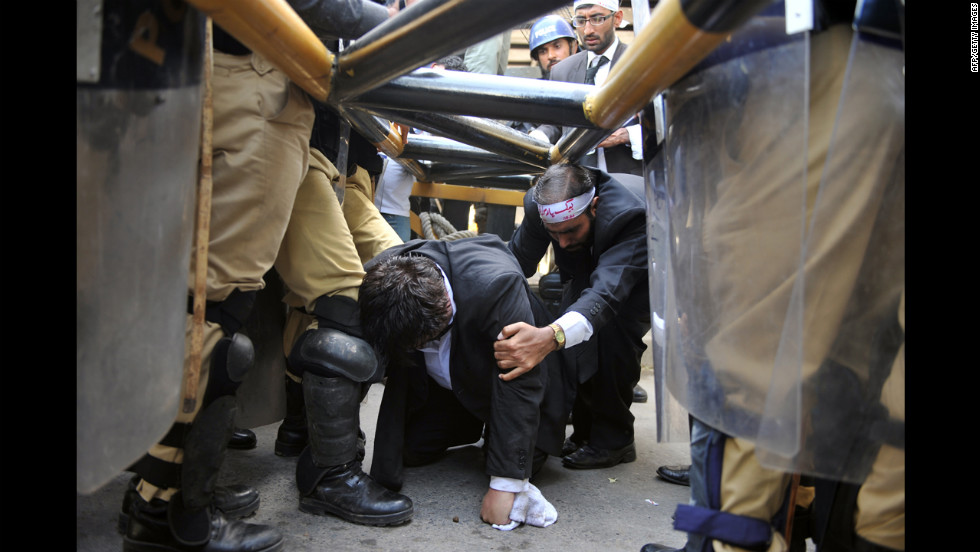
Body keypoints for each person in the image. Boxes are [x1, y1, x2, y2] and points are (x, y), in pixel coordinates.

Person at [118, 3, 413, 551]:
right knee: (208, 314)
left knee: (207, 306)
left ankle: (177, 490)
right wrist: (415, 29)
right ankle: (165, 505)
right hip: (242, 70)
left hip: (241, 80)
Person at [639, 2, 904, 550]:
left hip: (810, 60)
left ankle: (733, 537)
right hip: (851, 55)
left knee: (754, 354)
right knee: (866, 349)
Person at [360, 234, 571, 529]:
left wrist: (506, 484)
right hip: (451, 385)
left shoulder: (497, 287)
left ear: (445, 308)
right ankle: (465, 422)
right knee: (410, 450)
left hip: (508, 382)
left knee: (509, 463)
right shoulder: (381, 279)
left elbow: (521, 383)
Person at [494, 163, 650, 470]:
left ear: (595, 206)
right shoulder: (542, 206)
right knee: (576, 337)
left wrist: (551, 337)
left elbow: (606, 296)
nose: (562, 243)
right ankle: (583, 433)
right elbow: (517, 262)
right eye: (555, 234)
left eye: (570, 230)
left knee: (615, 339)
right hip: (585, 269)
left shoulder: (630, 216)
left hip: (642, 270)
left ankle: (614, 440)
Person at [528, 0, 643, 177]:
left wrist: (627, 135)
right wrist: (537, 137)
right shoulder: (562, 71)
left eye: (597, 19)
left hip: (631, 181)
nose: (588, 30)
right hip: (577, 182)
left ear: (617, 18)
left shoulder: (641, 63)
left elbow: (665, 122)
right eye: (581, 21)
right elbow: (555, 123)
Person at [373, 55, 469, 241]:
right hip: (362, 196)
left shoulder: (438, 126)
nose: (441, 93)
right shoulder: (396, 90)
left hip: (395, 210)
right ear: (432, 68)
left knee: (396, 263)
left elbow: (430, 162)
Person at [528, 14, 580, 80]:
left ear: (573, 47)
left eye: (557, 46)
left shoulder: (593, 83)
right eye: (543, 51)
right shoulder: (533, 89)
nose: (550, 56)